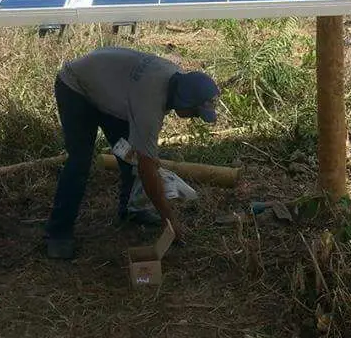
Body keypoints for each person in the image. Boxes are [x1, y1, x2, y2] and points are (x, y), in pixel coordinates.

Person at [44, 46, 220, 260]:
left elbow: (140, 155)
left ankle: (131, 209)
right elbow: (147, 168)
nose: (193, 117)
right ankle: (59, 233)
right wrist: (169, 218)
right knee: (80, 161)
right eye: (194, 112)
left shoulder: (176, 79)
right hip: (76, 87)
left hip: (112, 92)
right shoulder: (149, 104)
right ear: (184, 102)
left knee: (129, 155)